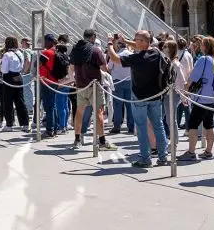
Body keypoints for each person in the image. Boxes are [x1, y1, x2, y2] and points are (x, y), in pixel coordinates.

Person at [108, 30, 170, 168]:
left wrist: (110, 44)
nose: (135, 42)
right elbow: (141, 45)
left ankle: (145, 159)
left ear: (144, 42)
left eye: (137, 40)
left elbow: (114, 59)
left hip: (139, 97)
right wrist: (126, 41)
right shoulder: (155, 52)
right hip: (156, 95)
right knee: (158, 126)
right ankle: (163, 157)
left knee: (142, 128)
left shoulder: (135, 59)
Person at [69, 29, 116, 151]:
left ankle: (77, 139)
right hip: (94, 85)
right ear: (93, 37)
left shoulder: (76, 49)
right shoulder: (95, 50)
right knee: (99, 112)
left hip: (80, 85)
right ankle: (102, 141)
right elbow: (105, 68)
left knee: (79, 112)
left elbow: (72, 68)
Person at [183, 35, 214, 161]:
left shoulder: (202, 59)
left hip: (201, 97)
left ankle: (191, 151)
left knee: (192, 124)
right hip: (213, 97)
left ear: (205, 46)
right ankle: (208, 151)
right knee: (209, 124)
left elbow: (193, 77)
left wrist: (186, 91)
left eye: (202, 44)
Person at [0, 36, 30, 131]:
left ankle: (9, 124)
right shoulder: (20, 53)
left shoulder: (7, 55)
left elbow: (4, 69)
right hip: (19, 77)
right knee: (20, 101)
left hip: (9, 78)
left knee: (8, 101)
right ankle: (25, 123)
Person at [109, 36, 135, 135]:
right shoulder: (131, 54)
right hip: (129, 81)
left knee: (118, 105)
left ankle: (117, 126)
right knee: (130, 105)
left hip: (117, 82)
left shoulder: (115, 55)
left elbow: (109, 68)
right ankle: (131, 126)